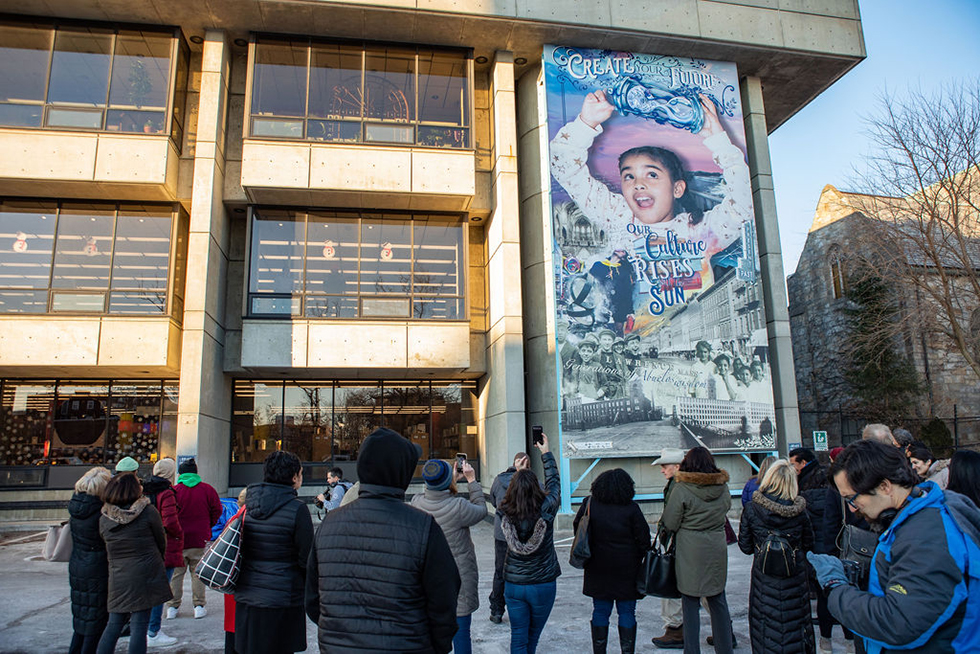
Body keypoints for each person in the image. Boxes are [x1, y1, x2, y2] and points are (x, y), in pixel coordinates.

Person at [549, 89, 751, 276]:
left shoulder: (697, 229)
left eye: (652, 175)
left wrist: (718, 141)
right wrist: (586, 123)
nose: (638, 183)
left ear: (677, 188)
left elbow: (744, 206)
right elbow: (564, 167)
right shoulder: (617, 215)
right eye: (629, 176)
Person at [808, 440, 980, 653]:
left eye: (852, 498)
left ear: (885, 486)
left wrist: (836, 589)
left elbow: (899, 623)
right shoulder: (913, 521)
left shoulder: (926, 536)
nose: (852, 509)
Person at [305, 427, 460, 653]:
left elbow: (312, 600)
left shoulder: (329, 525)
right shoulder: (423, 527)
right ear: (402, 473)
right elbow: (445, 604)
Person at [234, 451, 312, 654]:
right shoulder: (297, 509)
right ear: (294, 477)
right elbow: (307, 559)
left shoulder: (248, 505)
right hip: (283, 597)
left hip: (247, 595)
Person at [660, 446, 733, 654]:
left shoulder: (682, 488)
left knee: (690, 601)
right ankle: (725, 648)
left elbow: (671, 522)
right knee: (718, 599)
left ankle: (691, 650)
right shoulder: (723, 487)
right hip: (716, 547)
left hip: (689, 549)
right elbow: (725, 510)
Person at [737, 460, 815, 653]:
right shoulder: (801, 512)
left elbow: (745, 547)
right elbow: (808, 544)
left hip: (764, 580)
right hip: (795, 582)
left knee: (765, 632)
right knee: (797, 631)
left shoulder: (752, 510)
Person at [411, 458, 488, 654]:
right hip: (458, 579)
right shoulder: (459, 507)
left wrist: (448, 481)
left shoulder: (416, 503)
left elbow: (437, 495)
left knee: (430, 635)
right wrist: (471, 481)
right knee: (461, 634)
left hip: (427, 580)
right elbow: (481, 510)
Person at [573, 468, 650, 654]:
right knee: (627, 611)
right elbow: (644, 540)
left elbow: (578, 530)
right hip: (627, 569)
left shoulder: (589, 504)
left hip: (597, 566)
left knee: (600, 610)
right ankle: (627, 650)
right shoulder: (632, 509)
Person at [96, 472, 173, 654]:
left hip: (119, 574)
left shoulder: (104, 518)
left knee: (114, 624)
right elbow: (161, 540)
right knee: (139, 626)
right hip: (146, 571)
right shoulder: (147, 511)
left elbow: (104, 544)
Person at [499, 433, 561, 654]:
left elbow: (508, 494)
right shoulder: (547, 507)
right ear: (536, 487)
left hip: (514, 583)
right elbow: (554, 483)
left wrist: (518, 473)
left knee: (518, 638)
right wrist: (546, 453)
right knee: (532, 637)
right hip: (542, 582)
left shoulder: (503, 511)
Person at [789, 447, 839, 653]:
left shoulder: (803, 496)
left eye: (794, 463)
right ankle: (850, 642)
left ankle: (825, 642)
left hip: (817, 547)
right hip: (834, 545)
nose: (793, 468)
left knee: (822, 593)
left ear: (803, 463)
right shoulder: (832, 488)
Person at [166, 458, 221, 620]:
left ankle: (172, 607)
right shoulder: (207, 490)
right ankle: (198, 605)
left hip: (178, 539)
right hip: (199, 538)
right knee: (197, 573)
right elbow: (217, 510)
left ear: (180, 473)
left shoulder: (174, 491)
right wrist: (207, 525)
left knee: (176, 574)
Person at [68, 467, 112, 654]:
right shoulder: (100, 513)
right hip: (98, 568)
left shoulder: (76, 509)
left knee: (82, 618)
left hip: (78, 565)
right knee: (97, 621)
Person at [141, 458, 182, 647]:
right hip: (164, 545)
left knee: (148, 589)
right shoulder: (166, 493)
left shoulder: (144, 490)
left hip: (145, 544)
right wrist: (178, 534)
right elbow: (170, 521)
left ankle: (144, 628)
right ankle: (153, 630)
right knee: (160, 589)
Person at [489, 451, 531, 623]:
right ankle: (522, 609)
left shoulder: (499, 480)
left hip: (502, 533)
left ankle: (497, 610)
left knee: (500, 572)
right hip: (525, 534)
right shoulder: (532, 482)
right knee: (524, 572)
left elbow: (493, 501)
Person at [651, 447, 686, 649]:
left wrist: (665, 532)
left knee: (671, 584)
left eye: (665, 466)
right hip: (696, 545)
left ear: (677, 466)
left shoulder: (678, 486)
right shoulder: (682, 483)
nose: (662, 470)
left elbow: (673, 518)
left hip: (679, 543)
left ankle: (675, 630)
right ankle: (723, 628)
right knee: (706, 587)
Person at [224, 487, 247, 654]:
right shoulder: (248, 520)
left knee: (232, 628)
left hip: (231, 579)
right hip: (245, 582)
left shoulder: (233, 519)